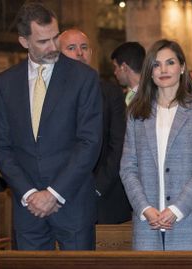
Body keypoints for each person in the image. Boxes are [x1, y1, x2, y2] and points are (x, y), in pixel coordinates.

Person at [0, 3, 102, 250]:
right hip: (27, 208)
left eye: (55, 37)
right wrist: (29, 194)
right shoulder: (4, 84)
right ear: (24, 42)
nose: (54, 47)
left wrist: (53, 193)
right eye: (43, 41)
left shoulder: (83, 78)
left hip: (72, 202)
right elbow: (2, 147)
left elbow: (89, 142)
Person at [120, 39, 192, 250]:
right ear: (150, 71)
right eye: (156, 64)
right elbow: (128, 168)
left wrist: (176, 210)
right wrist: (144, 208)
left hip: (187, 222)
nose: (163, 69)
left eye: (170, 62)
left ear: (182, 67)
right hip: (147, 225)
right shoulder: (137, 113)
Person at [59, 28, 131, 224]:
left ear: (91, 53)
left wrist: (97, 187)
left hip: (103, 196)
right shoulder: (49, 95)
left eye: (84, 48)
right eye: (71, 48)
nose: (79, 53)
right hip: (58, 195)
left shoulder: (111, 93)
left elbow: (118, 146)